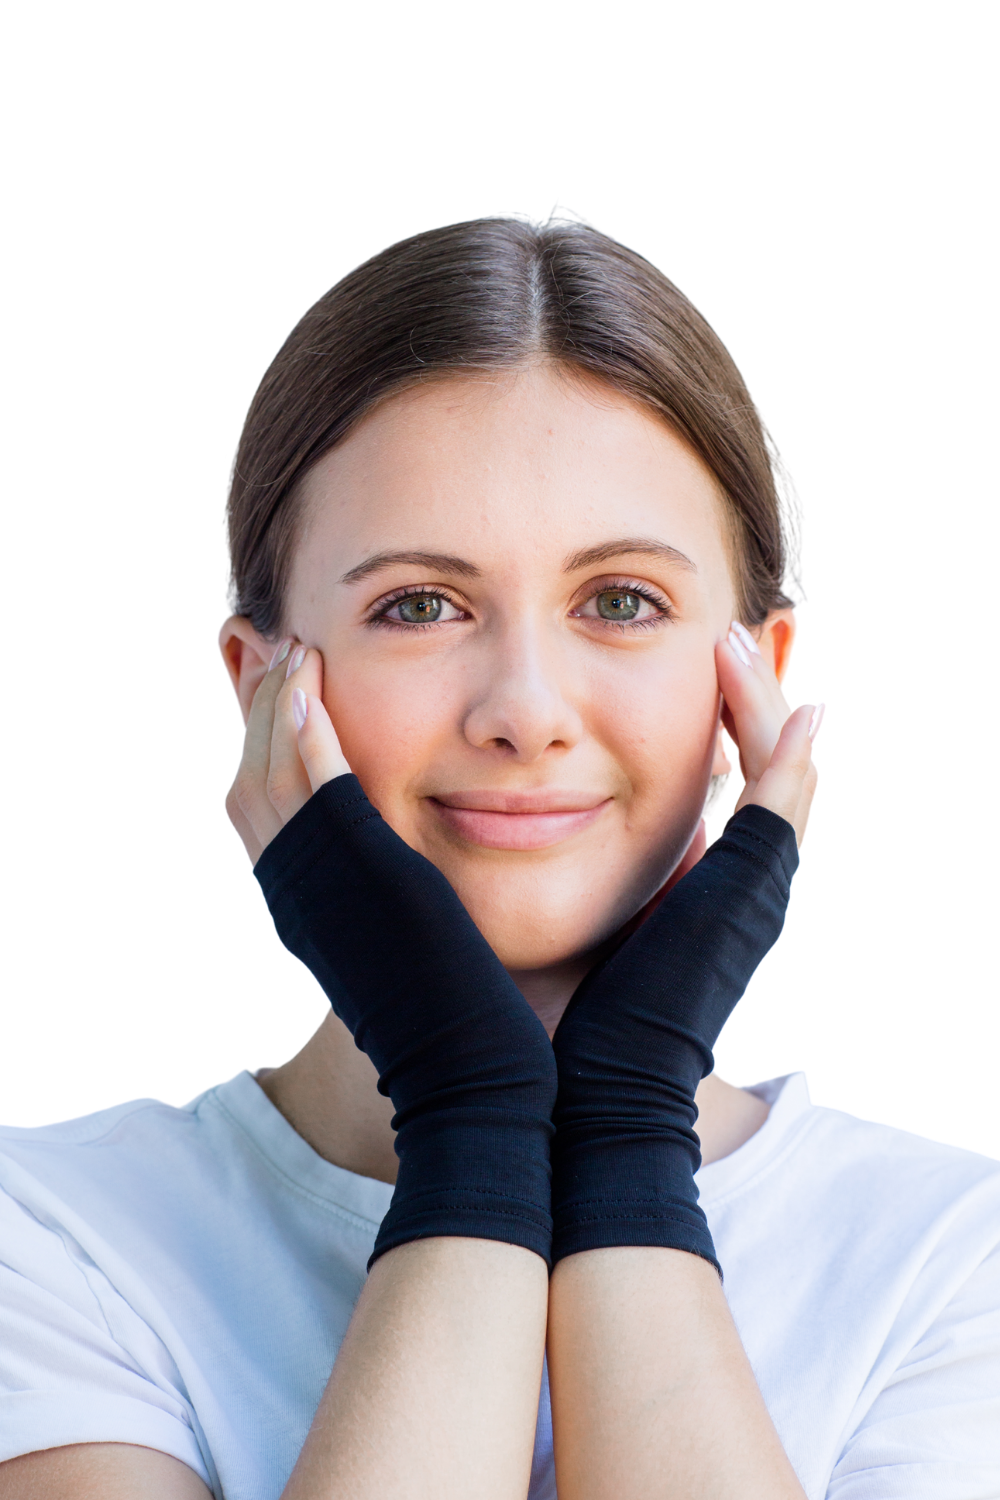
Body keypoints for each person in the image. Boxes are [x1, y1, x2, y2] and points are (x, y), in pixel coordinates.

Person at [1, 220, 997, 1500]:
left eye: (620, 601)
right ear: (262, 687)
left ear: (754, 680)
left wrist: (628, 1126)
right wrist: (469, 1114)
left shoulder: (949, 1264)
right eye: (418, 605)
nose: (525, 708)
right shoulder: (51, 1239)